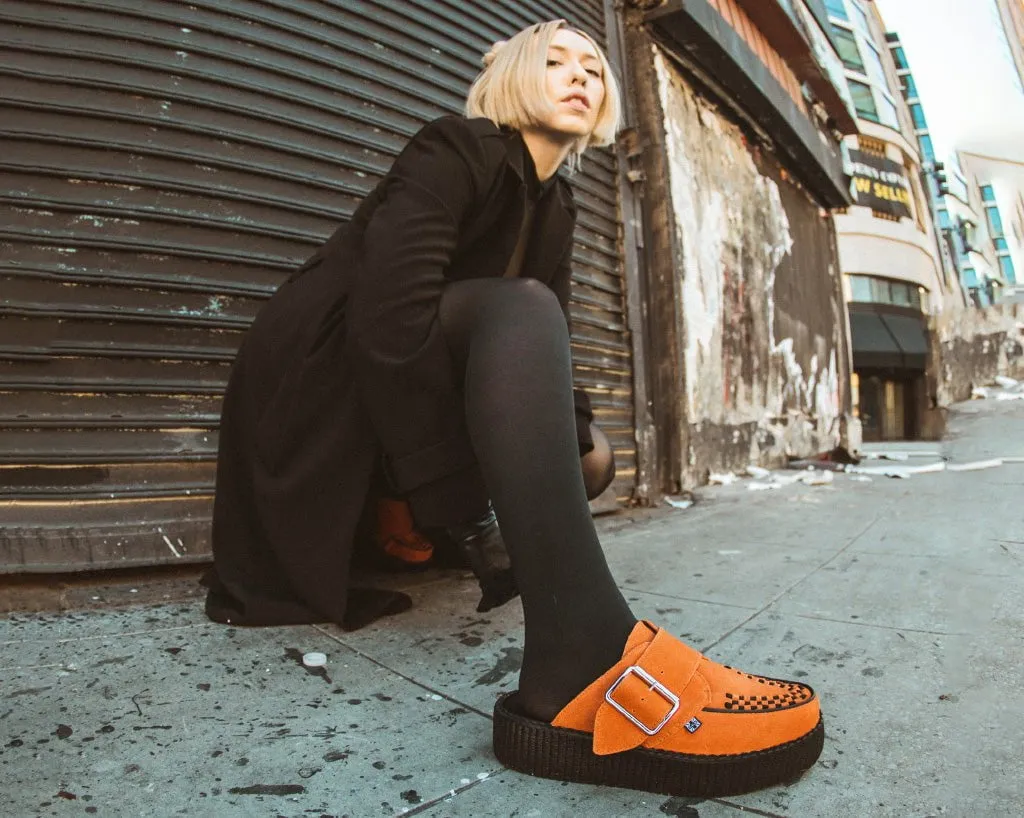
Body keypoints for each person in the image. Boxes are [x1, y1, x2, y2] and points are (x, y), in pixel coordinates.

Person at [202, 19, 824, 797]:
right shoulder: (454, 147)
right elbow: (387, 321)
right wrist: (460, 503)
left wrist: (571, 428)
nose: (579, 76)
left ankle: (416, 525)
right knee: (522, 308)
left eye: (594, 68)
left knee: (590, 454)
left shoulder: (556, 203)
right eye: (555, 61)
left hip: (403, 383)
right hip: (316, 378)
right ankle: (584, 657)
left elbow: (545, 348)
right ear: (512, 79)